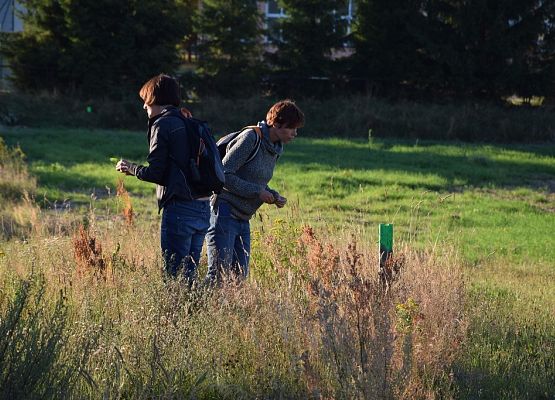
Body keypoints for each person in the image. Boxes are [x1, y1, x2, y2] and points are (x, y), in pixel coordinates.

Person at [115, 74, 211, 283]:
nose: (144, 107)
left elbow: (157, 173)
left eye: (145, 101)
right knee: (189, 276)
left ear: (154, 99)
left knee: (174, 277)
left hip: (180, 208)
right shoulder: (190, 121)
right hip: (204, 208)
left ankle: (174, 315)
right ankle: (191, 314)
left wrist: (131, 168)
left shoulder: (162, 125)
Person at [206, 100, 305, 284]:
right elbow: (224, 175)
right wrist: (258, 192)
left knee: (238, 280)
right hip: (224, 214)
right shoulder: (251, 138)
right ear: (276, 124)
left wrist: (273, 195)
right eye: (292, 128)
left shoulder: (275, 149)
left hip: (243, 219)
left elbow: (256, 181)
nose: (295, 133)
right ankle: (197, 309)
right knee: (218, 277)